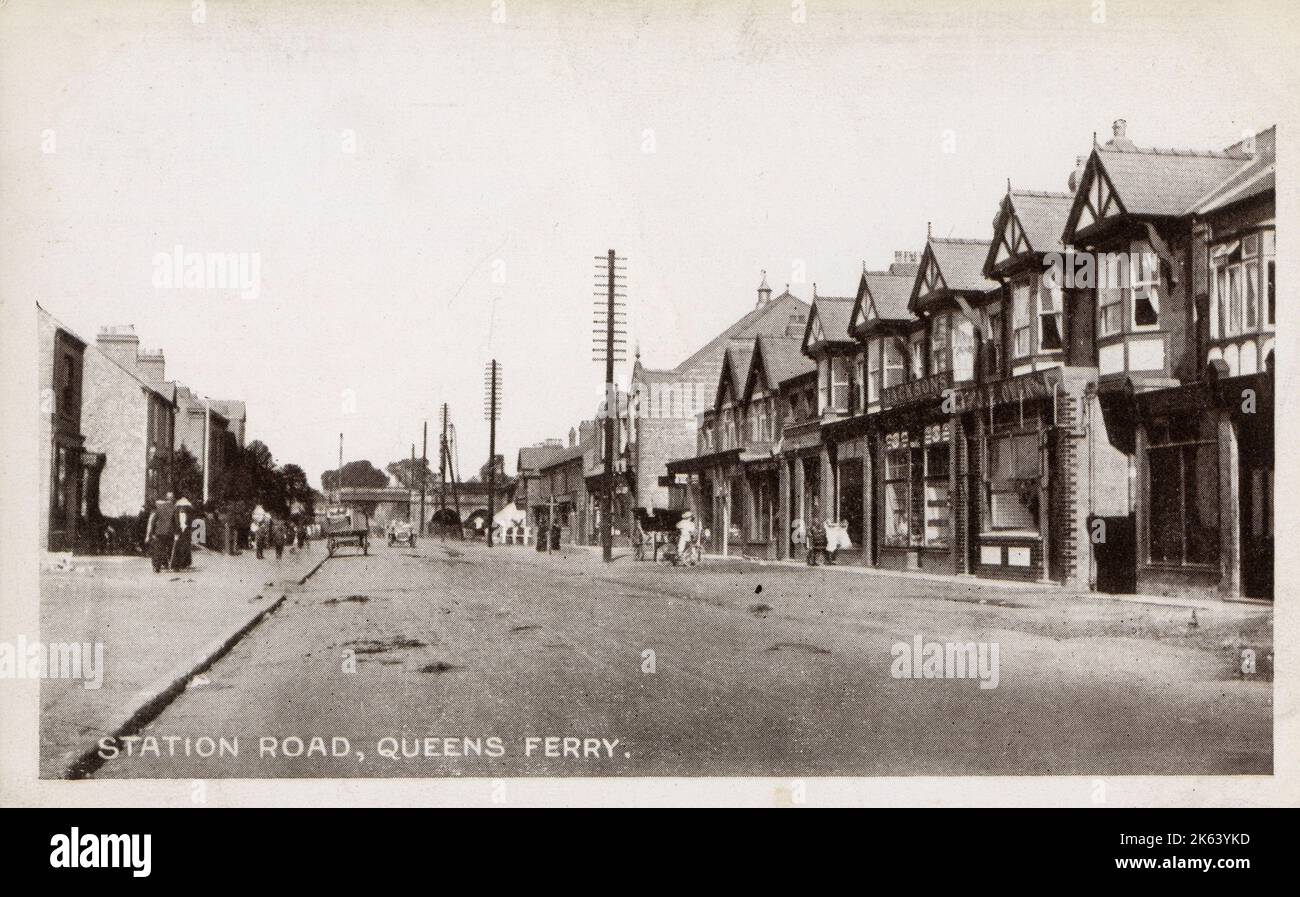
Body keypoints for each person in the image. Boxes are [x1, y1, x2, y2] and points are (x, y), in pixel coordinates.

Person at [143, 492, 178, 574]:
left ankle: (156, 567)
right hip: (169, 532)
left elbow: (151, 521)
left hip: (158, 532)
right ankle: (171, 565)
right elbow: (176, 522)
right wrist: (177, 532)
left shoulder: (158, 507)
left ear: (166, 498)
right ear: (172, 499)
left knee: (157, 549)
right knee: (169, 548)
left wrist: (148, 535)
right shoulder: (174, 508)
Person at [172, 497, 194, 570]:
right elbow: (173, 523)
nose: (182, 508)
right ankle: (176, 564)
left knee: (186, 548)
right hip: (178, 532)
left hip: (186, 532)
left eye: (184, 507)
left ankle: (184, 563)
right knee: (177, 548)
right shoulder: (175, 514)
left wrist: (189, 529)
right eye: (181, 507)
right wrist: (175, 532)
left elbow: (190, 523)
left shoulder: (189, 515)